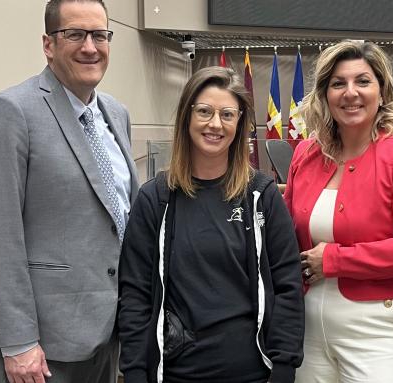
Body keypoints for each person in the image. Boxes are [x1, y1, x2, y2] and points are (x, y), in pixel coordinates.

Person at [0, 0, 139, 381]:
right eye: (74, 34)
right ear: (48, 44)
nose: (90, 47)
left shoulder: (117, 114)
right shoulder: (11, 112)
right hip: (39, 348)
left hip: (107, 336)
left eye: (99, 35)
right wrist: (18, 341)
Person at [117, 66, 304, 383]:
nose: (215, 124)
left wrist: (285, 367)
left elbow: (288, 285)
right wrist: (135, 370)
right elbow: (135, 294)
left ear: (239, 124)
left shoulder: (261, 196)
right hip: (176, 373)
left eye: (227, 115)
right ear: (187, 117)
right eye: (204, 111)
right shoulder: (155, 199)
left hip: (252, 372)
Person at [284, 40, 393, 383]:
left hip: (375, 331)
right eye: (338, 83)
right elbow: (284, 236)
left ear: (382, 92)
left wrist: (336, 261)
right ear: (325, 94)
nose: (350, 93)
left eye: (363, 81)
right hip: (306, 327)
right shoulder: (306, 154)